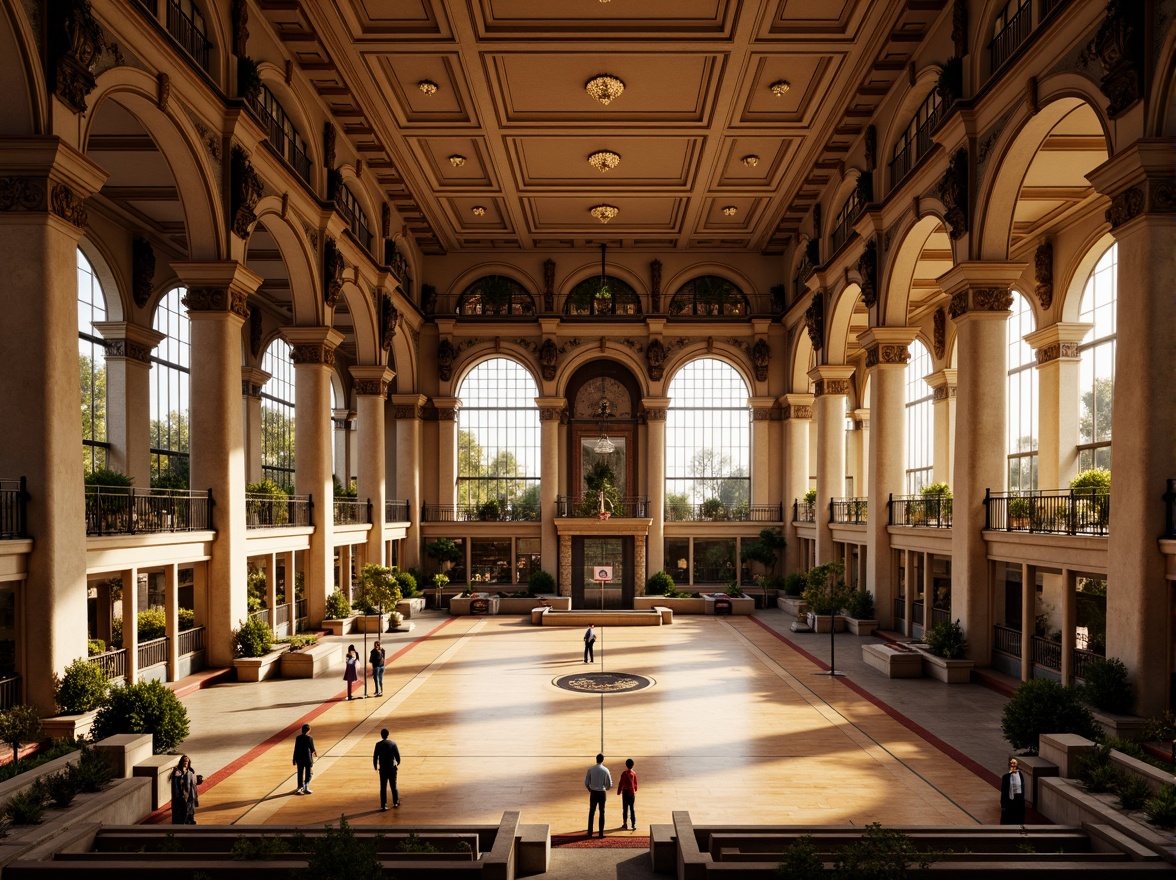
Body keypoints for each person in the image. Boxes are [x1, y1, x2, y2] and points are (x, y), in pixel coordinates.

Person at [373, 727, 402, 810]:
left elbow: (375, 757)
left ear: (381, 735)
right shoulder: (393, 744)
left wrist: (375, 766)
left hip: (383, 769)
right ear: (388, 735)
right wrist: (398, 762)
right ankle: (395, 802)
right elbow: (397, 755)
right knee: (393, 786)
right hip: (392, 768)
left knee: (383, 787)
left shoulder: (378, 745)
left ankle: (384, 805)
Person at [585, 753, 612, 838]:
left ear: (596, 759)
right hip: (602, 793)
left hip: (593, 792)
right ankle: (601, 833)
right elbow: (609, 784)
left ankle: (590, 832)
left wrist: (590, 789)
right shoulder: (606, 770)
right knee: (602, 812)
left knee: (592, 812)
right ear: (602, 760)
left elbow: (586, 783)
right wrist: (605, 788)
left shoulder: (591, 769)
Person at [169, 754, 199, 824]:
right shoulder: (177, 773)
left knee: (190, 807)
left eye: (187, 763)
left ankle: (190, 819)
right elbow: (176, 785)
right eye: (184, 762)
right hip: (181, 794)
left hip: (190, 793)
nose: (185, 764)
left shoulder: (190, 771)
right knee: (181, 809)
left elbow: (193, 782)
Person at [1000, 757, 1027, 824]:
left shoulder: (1020, 775)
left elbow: (1022, 788)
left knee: (1018, 818)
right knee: (1008, 819)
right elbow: (1004, 791)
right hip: (1010, 800)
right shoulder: (1006, 777)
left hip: (1019, 799)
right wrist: (1003, 805)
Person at [292, 723, 317, 794]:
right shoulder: (310, 738)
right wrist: (315, 753)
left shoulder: (298, 738)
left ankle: (299, 787)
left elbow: (296, 749)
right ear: (308, 730)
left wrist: (294, 759)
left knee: (300, 773)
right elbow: (312, 749)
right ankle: (306, 786)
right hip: (307, 758)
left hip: (299, 758)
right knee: (308, 772)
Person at [617, 758, 638, 830]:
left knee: (625, 808)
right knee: (632, 808)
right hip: (631, 793)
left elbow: (621, 783)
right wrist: (635, 790)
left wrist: (619, 791)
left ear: (626, 765)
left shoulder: (624, 773)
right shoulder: (634, 773)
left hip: (625, 792)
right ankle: (633, 824)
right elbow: (635, 783)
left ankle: (625, 823)